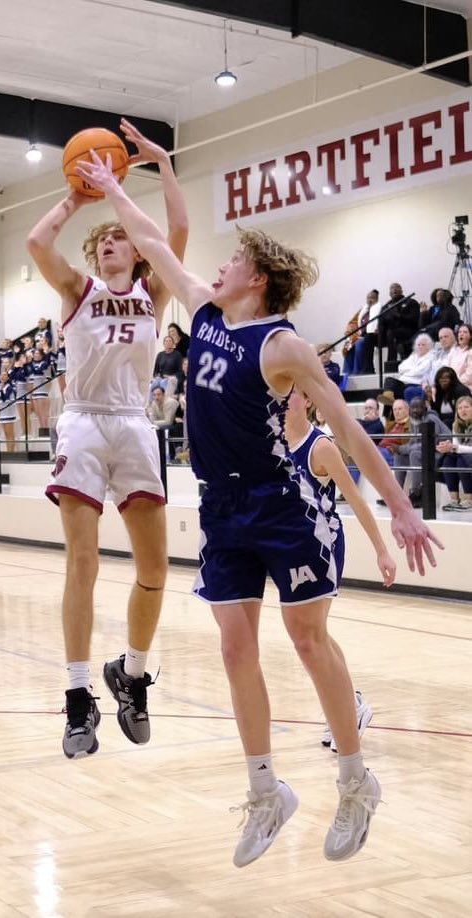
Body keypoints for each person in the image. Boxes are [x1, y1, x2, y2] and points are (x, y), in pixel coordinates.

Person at [82, 150, 441, 866]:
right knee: (233, 646)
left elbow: (346, 427)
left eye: (234, 260)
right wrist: (118, 186)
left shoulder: (282, 346)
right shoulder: (205, 310)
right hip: (221, 508)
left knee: (307, 640)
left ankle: (354, 781)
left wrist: (400, 507)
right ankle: (265, 791)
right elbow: (152, 239)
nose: (217, 267)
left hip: (279, 504)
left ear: (258, 278)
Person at [26, 118, 188, 759]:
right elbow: (37, 241)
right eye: (105, 241)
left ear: (138, 252)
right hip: (85, 420)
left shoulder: (154, 293)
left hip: (134, 422)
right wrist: (77, 195)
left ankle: (132, 673)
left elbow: (178, 231)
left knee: (155, 568)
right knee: (83, 563)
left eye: (122, 238)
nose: (112, 245)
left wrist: (164, 165)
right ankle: (76, 696)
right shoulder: (78, 289)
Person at [285, 388, 396, 752]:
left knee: (312, 633)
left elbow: (357, 500)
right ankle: (348, 704)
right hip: (291, 549)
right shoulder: (273, 442)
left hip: (324, 545)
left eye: (291, 394)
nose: (282, 400)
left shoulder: (321, 447)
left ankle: (348, 709)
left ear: (307, 400)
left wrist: (382, 550)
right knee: (310, 635)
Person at [437, 395, 472, 511]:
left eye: (466, 407)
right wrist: (448, 447)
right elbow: (456, 447)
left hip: (467, 457)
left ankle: (469, 500)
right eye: (460, 408)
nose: (463, 410)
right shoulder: (455, 425)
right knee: (448, 459)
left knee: (462, 460)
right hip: (464, 455)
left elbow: (460, 448)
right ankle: (454, 499)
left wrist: (454, 447)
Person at [380, 282, 420, 363]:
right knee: (369, 338)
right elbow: (381, 322)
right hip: (390, 334)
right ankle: (368, 367)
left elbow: (414, 320)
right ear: (389, 293)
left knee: (391, 333)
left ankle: (391, 362)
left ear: (401, 291)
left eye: (397, 287)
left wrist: (399, 316)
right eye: (392, 288)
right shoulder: (385, 307)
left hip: (408, 330)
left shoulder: (411, 302)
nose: (394, 289)